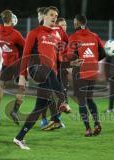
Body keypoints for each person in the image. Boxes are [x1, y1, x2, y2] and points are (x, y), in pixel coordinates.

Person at [13, 6, 70, 150]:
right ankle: (63, 102)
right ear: (44, 16)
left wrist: (70, 59)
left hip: (49, 74)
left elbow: (68, 46)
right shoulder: (35, 33)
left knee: (39, 107)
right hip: (36, 68)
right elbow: (25, 55)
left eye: (56, 15)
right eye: (51, 15)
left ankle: (19, 138)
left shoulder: (59, 33)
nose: (54, 17)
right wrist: (22, 76)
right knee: (47, 69)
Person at [67, 14, 105, 136]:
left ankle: (87, 128)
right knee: (90, 99)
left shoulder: (73, 37)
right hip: (93, 71)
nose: (73, 24)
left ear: (77, 23)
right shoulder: (95, 36)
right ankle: (97, 123)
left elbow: (70, 56)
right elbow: (103, 53)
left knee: (82, 101)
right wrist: (92, 60)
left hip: (80, 72)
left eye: (74, 22)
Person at [0, 10, 25, 125]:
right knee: (22, 86)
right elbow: (25, 47)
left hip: (5, 63)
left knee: (0, 86)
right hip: (17, 64)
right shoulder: (16, 34)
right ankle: (15, 111)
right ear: (11, 20)